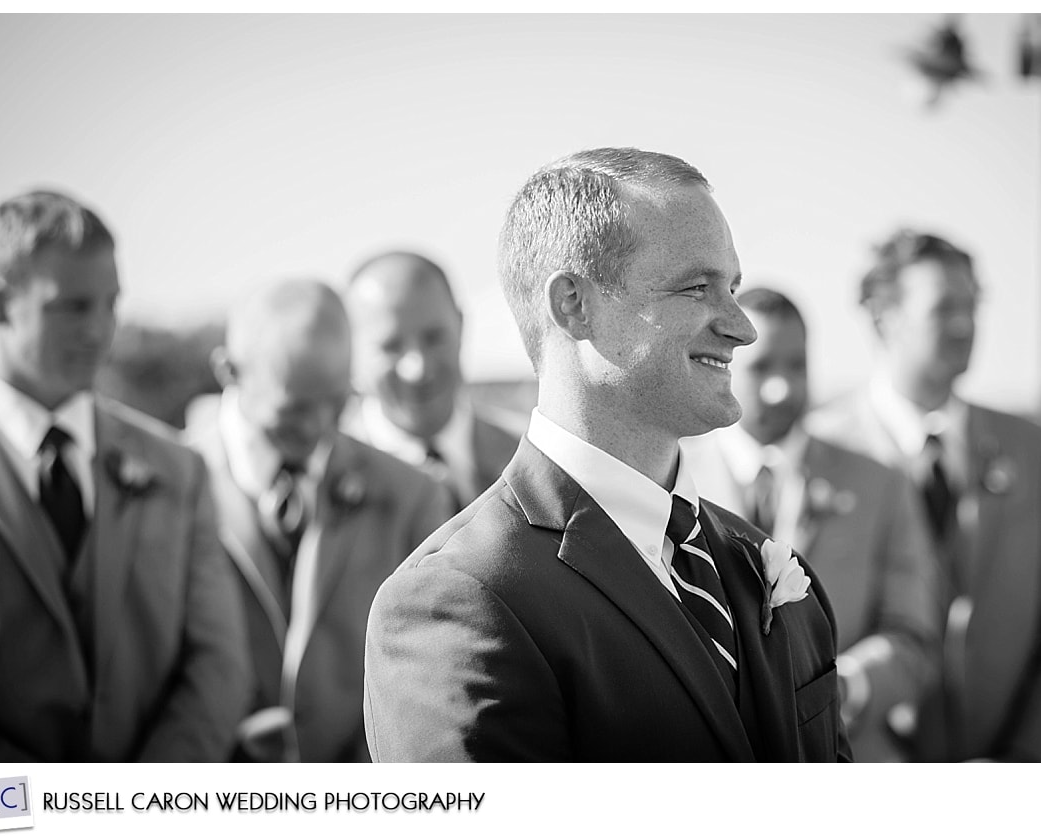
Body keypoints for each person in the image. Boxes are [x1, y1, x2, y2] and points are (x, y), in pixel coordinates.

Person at [363, 147, 852, 762]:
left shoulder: (766, 568)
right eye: (697, 288)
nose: (741, 326)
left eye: (733, 288)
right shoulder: (459, 601)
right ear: (574, 303)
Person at [808, 228, 1041, 761]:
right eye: (944, 308)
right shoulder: (817, 451)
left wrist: (1023, 764)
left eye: (972, 306)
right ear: (882, 318)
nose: (965, 325)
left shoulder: (1035, 449)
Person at [0, 189, 249, 761]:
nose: (99, 329)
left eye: (110, 304)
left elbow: (218, 662)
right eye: (72, 307)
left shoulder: (177, 468)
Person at [185, 278, 451, 762]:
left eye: (335, 401)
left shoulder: (411, 495)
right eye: (293, 409)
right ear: (228, 371)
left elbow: (422, 683)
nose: (315, 427)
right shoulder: (170, 487)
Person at [685, 287, 941, 761]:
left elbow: (914, 636)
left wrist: (848, 685)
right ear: (725, 363)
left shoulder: (880, 484)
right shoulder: (673, 479)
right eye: (761, 367)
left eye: (796, 366)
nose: (780, 387)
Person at [341, 251, 521, 511]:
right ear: (351, 351)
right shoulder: (321, 488)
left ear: (460, 326)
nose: (418, 368)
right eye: (391, 346)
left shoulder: (530, 462)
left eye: (434, 337)